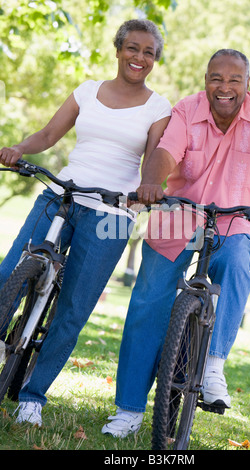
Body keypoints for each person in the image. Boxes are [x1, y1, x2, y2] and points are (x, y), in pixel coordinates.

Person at [102, 49, 250, 437]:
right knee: (147, 303)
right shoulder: (187, 111)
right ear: (205, 79)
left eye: (234, 80)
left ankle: (212, 364)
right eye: (216, 78)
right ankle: (128, 410)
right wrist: (152, 183)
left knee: (236, 263)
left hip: (236, 220)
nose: (224, 87)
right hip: (180, 214)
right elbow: (164, 153)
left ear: (247, 82)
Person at [0, 19, 171, 426]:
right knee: (9, 274)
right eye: (133, 48)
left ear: (155, 60)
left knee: (73, 309)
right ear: (118, 49)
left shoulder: (159, 107)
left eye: (149, 52)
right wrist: (19, 148)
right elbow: (48, 134)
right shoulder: (87, 91)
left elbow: (155, 160)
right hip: (62, 194)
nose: (140, 58)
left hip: (113, 212)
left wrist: (149, 186)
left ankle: (32, 397)